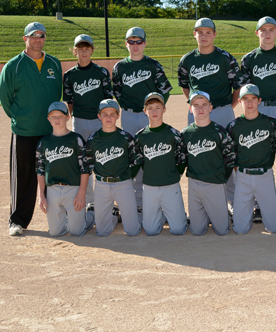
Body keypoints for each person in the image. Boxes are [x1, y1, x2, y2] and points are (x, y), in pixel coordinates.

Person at [0, 22, 62, 236]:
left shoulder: (54, 63)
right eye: (33, 35)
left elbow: (57, 96)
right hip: (24, 131)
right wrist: (20, 118)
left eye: (41, 35)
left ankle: (57, 218)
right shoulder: (13, 66)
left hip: (49, 131)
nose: (37, 39)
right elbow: (5, 99)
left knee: (53, 175)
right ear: (24, 38)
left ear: (45, 38)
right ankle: (17, 221)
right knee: (23, 176)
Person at [239, 16, 276, 218]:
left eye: (271, 29)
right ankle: (259, 205)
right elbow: (244, 91)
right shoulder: (248, 59)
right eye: (263, 30)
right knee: (257, 154)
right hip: (259, 109)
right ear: (257, 33)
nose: (267, 33)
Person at [111, 27, 173, 209]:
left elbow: (165, 89)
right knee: (133, 155)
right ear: (126, 44)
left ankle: (156, 198)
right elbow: (117, 92)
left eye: (139, 42)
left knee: (152, 154)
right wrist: (126, 107)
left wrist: (157, 109)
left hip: (150, 116)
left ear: (145, 43)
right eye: (131, 41)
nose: (135, 45)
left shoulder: (153, 65)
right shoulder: (120, 67)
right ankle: (137, 201)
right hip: (129, 115)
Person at [63, 34, 113, 212]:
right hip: (80, 121)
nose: (84, 52)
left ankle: (105, 198)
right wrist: (70, 119)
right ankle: (90, 201)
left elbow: (109, 100)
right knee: (84, 160)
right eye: (80, 49)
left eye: (87, 49)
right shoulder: (69, 76)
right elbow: (69, 101)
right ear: (74, 51)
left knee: (103, 158)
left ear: (92, 50)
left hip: (99, 121)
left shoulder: (101, 72)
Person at [226, 84, 276, 234]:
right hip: (243, 177)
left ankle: (275, 207)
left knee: (273, 228)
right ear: (239, 101)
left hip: (264, 175)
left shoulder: (271, 123)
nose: (250, 102)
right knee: (240, 229)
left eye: (253, 98)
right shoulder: (234, 126)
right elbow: (231, 154)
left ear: (260, 101)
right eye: (246, 99)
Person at [85, 99, 142, 237]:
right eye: (105, 114)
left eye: (112, 114)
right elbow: (88, 163)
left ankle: (137, 215)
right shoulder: (93, 139)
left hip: (123, 184)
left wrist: (127, 177)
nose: (109, 117)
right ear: (99, 116)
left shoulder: (125, 138)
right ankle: (115, 216)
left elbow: (136, 161)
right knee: (102, 232)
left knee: (132, 231)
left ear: (118, 116)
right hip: (102, 185)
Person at [36, 102, 93, 237]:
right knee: (55, 232)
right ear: (48, 119)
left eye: (60, 116)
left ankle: (90, 216)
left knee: (77, 232)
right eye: (53, 116)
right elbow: (40, 170)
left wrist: (81, 193)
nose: (57, 120)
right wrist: (42, 195)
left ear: (68, 118)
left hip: (73, 189)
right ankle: (70, 219)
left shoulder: (76, 139)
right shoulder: (43, 142)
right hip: (52, 190)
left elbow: (85, 169)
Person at [134, 93, 188, 236]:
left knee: (179, 230)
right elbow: (138, 161)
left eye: (158, 107)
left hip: (170, 185)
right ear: (145, 111)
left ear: (164, 109)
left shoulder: (173, 133)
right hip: (150, 186)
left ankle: (176, 213)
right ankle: (163, 214)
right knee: (151, 231)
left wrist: (176, 175)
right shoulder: (140, 136)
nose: (154, 111)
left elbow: (182, 158)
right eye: (150, 108)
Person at [181, 91, 234, 236]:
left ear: (210, 107)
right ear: (190, 109)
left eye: (204, 105)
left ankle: (220, 213)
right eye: (196, 105)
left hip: (215, 183)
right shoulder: (185, 133)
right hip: (194, 184)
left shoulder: (219, 132)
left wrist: (221, 178)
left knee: (222, 231)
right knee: (197, 231)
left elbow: (230, 159)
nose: (200, 109)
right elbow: (182, 159)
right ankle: (207, 213)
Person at [178, 18, 244, 127]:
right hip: (197, 112)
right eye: (200, 32)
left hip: (222, 110)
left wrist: (229, 107)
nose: (204, 36)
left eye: (208, 32)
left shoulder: (225, 58)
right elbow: (184, 86)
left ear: (214, 34)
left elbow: (238, 86)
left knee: (225, 143)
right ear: (194, 34)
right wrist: (196, 104)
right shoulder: (187, 59)